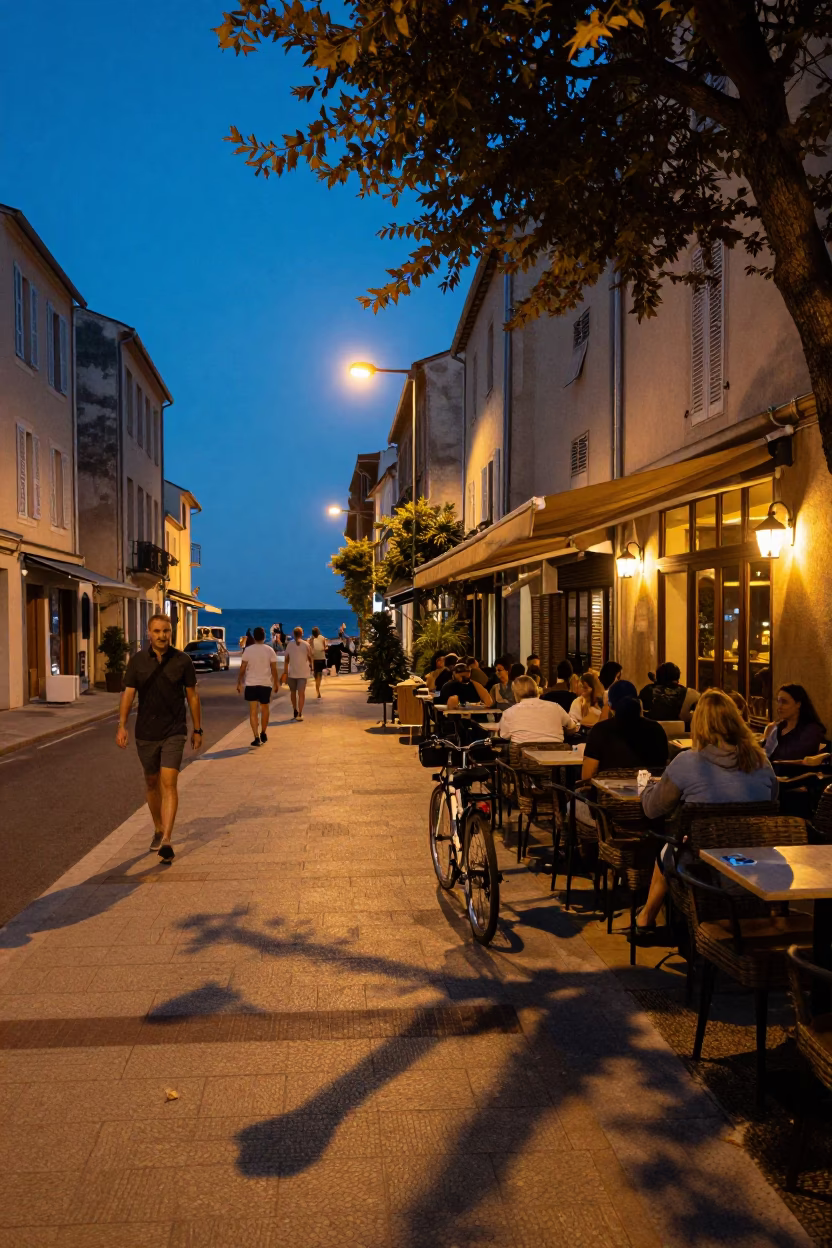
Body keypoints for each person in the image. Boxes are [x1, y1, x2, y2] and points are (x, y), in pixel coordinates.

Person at [636, 689, 778, 931]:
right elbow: (774, 800)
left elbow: (652, 809)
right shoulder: (761, 761)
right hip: (755, 859)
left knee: (667, 850)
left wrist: (645, 790)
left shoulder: (687, 762)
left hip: (701, 862)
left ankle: (645, 919)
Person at [117, 612, 202, 862]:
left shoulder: (183, 661)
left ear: (170, 633)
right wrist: (121, 725)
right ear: (149, 633)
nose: (162, 636)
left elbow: (193, 696)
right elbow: (128, 695)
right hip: (146, 733)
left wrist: (197, 729)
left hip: (174, 730)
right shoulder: (138, 662)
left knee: (169, 782)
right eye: (157, 631)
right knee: (152, 783)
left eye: (165, 631)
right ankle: (157, 827)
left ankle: (167, 838)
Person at [581, 680, 668, 779]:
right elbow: (663, 770)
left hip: (607, 793)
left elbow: (587, 776)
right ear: (638, 702)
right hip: (649, 792)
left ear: (611, 706)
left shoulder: (600, 731)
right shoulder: (656, 729)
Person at [499, 674, 579, 746]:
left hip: (523, 757)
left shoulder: (509, 712)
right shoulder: (555, 707)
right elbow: (572, 726)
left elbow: (504, 735)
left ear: (515, 693)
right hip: (555, 755)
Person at [236, 626, 279, 746]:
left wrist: (239, 682)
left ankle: (256, 736)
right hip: (265, 684)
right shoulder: (269, 650)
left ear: (254, 637)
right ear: (264, 636)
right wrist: (276, 682)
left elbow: (242, 668)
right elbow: (274, 669)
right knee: (265, 709)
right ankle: (263, 732)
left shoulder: (248, 650)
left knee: (253, 711)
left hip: (251, 684)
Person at [764, 684, 827, 761]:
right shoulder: (777, 729)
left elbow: (793, 756)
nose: (779, 707)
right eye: (778, 702)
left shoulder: (811, 731)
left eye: (784, 702)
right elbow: (765, 755)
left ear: (798, 704)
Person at [643, 661, 699, 726]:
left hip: (652, 732)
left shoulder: (647, 690)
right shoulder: (691, 693)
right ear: (677, 677)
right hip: (682, 733)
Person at [282, 626, 313, 719]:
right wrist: (312, 667)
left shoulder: (289, 645)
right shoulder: (306, 644)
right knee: (301, 693)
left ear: (293, 634)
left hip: (292, 673)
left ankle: (295, 709)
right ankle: (300, 713)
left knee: (293, 692)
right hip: (303, 673)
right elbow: (310, 657)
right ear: (302, 634)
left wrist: (285, 672)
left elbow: (286, 660)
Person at [309, 626, 328, 699]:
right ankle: (317, 689)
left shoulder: (319, 638)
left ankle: (317, 690)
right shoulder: (313, 639)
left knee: (318, 675)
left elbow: (325, 647)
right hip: (317, 658)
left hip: (317, 658)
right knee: (317, 675)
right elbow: (325, 647)